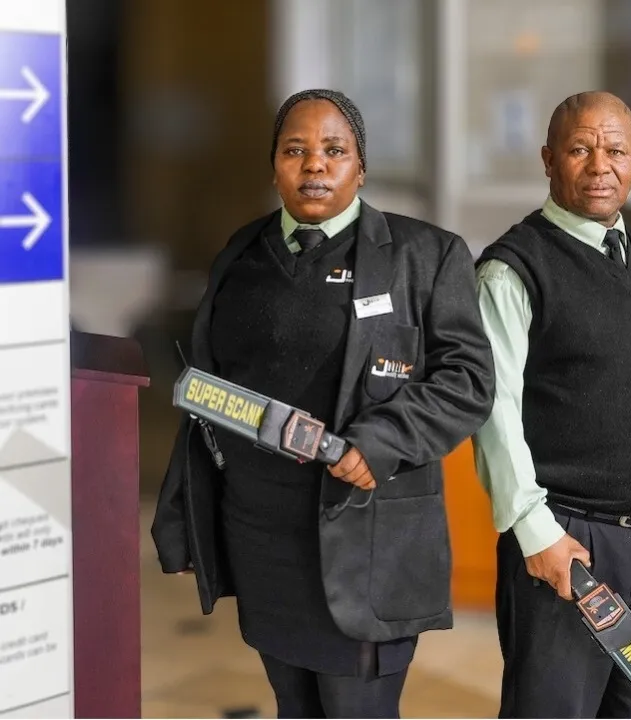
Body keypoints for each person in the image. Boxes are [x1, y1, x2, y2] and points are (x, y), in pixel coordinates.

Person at [151, 89, 495, 718]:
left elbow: (469, 378)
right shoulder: (242, 254)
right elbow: (207, 392)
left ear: (360, 168)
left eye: (334, 151)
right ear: (275, 164)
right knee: (294, 707)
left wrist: (384, 440)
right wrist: (184, 517)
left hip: (367, 540)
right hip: (263, 542)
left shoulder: (426, 256)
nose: (315, 165)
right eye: (296, 151)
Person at [472, 91, 631, 718]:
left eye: (616, 150)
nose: (601, 165)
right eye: (580, 149)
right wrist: (535, 533)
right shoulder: (515, 268)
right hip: (566, 545)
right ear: (548, 159)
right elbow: (494, 410)